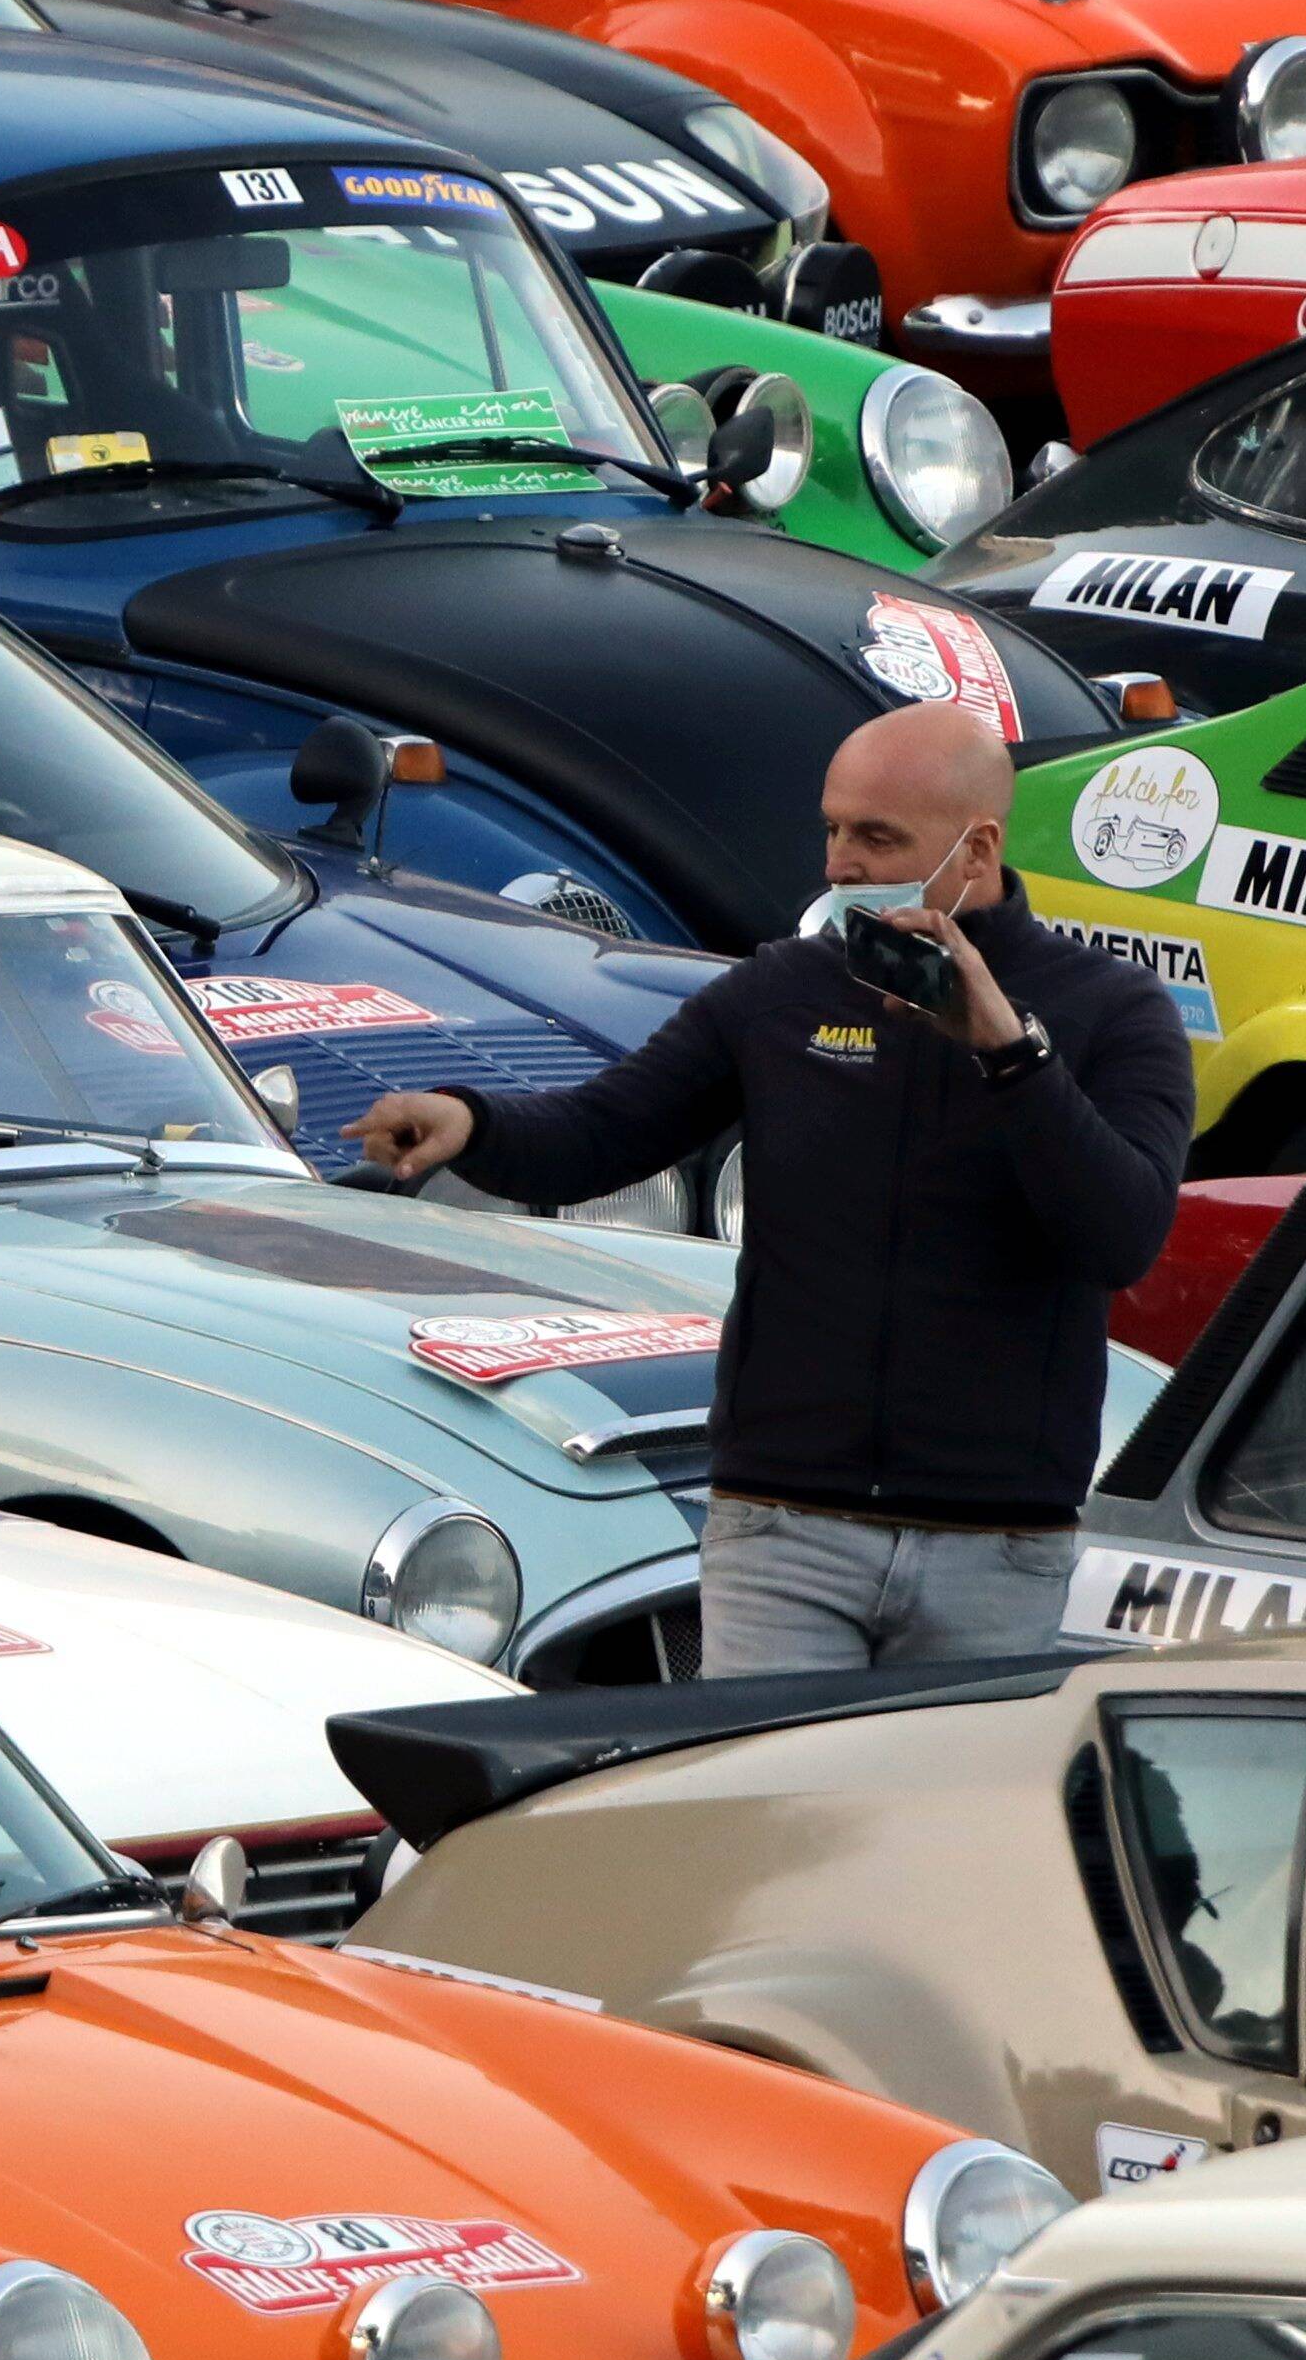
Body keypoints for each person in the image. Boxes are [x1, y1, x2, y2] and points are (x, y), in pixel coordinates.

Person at [351, 696, 1187, 1669]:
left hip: (996, 1543)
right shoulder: (780, 991)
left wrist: (1008, 1053)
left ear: (976, 849)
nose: (839, 864)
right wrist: (475, 1123)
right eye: (832, 830)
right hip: (785, 1526)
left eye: (876, 837)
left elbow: (1121, 1231)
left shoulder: (1111, 1009)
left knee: (937, 1822)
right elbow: (602, 1130)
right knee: (772, 1810)